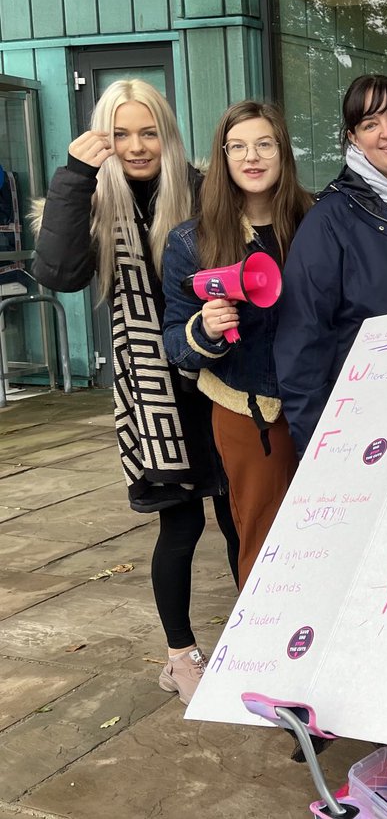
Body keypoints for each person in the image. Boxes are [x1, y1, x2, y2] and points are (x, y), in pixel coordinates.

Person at [31, 79, 236, 705]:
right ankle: (181, 657)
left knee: (239, 518)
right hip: (152, 393)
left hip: (219, 376)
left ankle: (258, 640)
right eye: (121, 133)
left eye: (149, 131)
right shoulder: (93, 198)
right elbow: (59, 273)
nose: (138, 146)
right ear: (103, 138)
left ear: (168, 133)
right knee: (180, 528)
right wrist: (73, 176)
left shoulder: (203, 190)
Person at [162, 101, 312, 587]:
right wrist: (206, 331)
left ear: (283, 152)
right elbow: (174, 344)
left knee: (329, 527)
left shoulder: (319, 221)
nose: (253, 157)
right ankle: (266, 652)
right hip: (250, 409)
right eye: (239, 147)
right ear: (222, 158)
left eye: (264, 144)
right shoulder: (192, 242)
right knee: (264, 535)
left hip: (324, 402)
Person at [275, 74, 387, 457]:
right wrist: (321, 448)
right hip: (367, 431)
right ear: (354, 138)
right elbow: (301, 345)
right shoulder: (329, 221)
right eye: (370, 124)